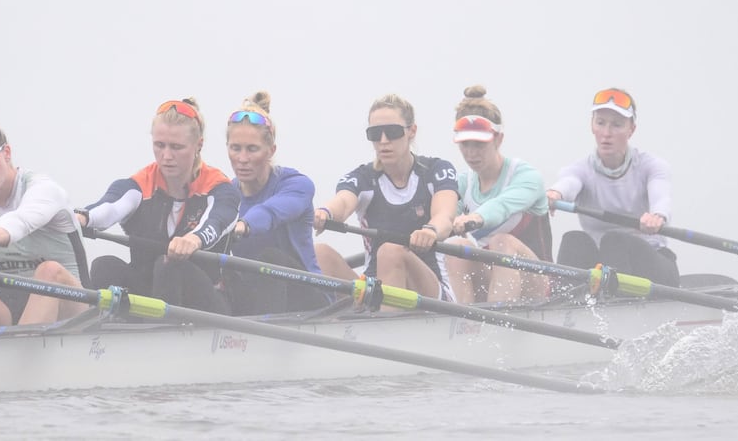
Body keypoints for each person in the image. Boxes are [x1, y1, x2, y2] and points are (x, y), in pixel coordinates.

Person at [77, 98, 241, 312]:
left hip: (205, 303)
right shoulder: (139, 185)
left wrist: (193, 240)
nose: (166, 156)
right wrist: (79, 218)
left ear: (198, 145)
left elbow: (216, 222)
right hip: (150, 295)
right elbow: (108, 208)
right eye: (159, 145)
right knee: (104, 266)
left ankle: (162, 338)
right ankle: (105, 337)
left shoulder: (220, 189)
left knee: (168, 265)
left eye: (176, 147)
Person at [0, 102, 88, 327]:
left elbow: (20, 220)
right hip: (12, 306)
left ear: (6, 152)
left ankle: (18, 352)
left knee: (49, 270)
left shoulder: (43, 189)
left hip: (74, 308)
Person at [312, 93, 458, 300]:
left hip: (430, 290)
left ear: (411, 132)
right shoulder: (363, 177)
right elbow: (343, 203)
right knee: (320, 253)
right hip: (373, 288)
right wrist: (324, 213)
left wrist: (431, 231)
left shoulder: (436, 170)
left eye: (392, 132)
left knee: (390, 252)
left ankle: (385, 324)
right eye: (375, 134)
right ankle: (338, 323)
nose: (383, 141)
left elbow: (445, 215)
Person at [547, 88, 678, 286]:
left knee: (615, 240)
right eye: (601, 123)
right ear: (592, 125)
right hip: (602, 266)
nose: (606, 133)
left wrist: (657, 216)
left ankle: (613, 304)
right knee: (573, 239)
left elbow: (661, 199)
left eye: (616, 125)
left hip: (654, 265)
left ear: (631, 130)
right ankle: (565, 303)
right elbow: (568, 184)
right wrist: (555, 194)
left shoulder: (652, 166)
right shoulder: (579, 169)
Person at [442, 86, 552, 304]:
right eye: (465, 144)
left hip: (539, 283)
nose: (471, 153)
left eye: (479, 144)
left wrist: (474, 218)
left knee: (501, 242)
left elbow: (501, 207)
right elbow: (442, 218)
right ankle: (465, 328)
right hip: (492, 280)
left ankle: (496, 327)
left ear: (498, 139)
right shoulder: (463, 183)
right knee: (456, 248)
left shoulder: (526, 176)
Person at [222, 91, 328, 315]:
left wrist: (242, 225)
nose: (242, 159)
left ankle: (265, 340)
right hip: (258, 296)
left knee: (270, 259)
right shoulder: (225, 195)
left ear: (271, 151)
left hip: (310, 300)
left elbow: (269, 213)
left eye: (252, 149)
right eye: (235, 148)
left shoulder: (297, 185)